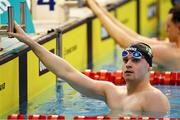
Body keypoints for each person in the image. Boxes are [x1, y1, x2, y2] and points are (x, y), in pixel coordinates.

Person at [8, 22, 170, 117]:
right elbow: (67, 73)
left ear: (149, 66)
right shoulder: (111, 91)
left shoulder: (155, 99)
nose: (128, 64)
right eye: (125, 60)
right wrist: (29, 41)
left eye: (135, 60)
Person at [86, 0, 180, 70]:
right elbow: (136, 37)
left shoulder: (173, 54)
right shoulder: (173, 47)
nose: (165, 30)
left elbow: (126, 43)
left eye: (169, 26)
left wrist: (98, 12)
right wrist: (101, 10)